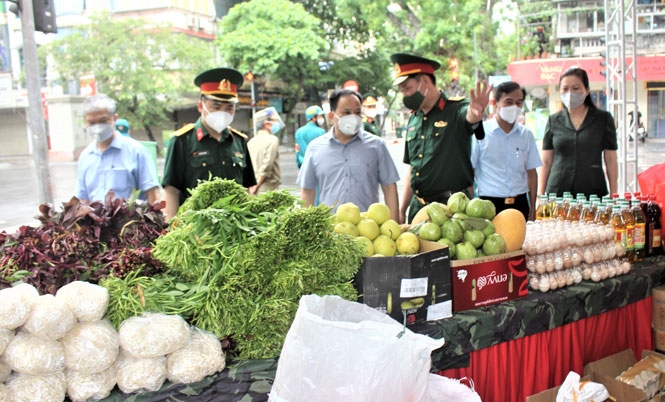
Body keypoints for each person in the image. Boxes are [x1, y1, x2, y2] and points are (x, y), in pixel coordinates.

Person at [391, 53, 491, 223]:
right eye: (402, 91)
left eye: (407, 88)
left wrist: (475, 113)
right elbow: (413, 168)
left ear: (425, 81)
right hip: (419, 210)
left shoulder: (455, 109)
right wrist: (402, 209)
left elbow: (468, 116)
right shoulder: (414, 118)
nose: (405, 96)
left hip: (452, 211)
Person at [162, 67, 257, 219]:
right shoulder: (182, 141)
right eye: (217, 106)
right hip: (195, 230)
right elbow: (171, 189)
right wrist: (170, 229)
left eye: (229, 107)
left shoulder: (239, 141)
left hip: (235, 229)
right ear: (201, 106)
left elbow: (247, 188)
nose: (223, 112)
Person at [296, 89, 400, 220]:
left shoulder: (377, 146)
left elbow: (389, 187)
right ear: (332, 116)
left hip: (369, 231)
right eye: (346, 112)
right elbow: (307, 190)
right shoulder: (315, 148)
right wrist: (307, 228)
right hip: (330, 231)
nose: (353, 117)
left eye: (357, 112)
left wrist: (395, 224)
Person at [539, 67, 618, 199]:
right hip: (558, 192)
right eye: (565, 89)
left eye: (575, 88)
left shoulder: (603, 119)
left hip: (592, 191)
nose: (570, 93)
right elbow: (546, 161)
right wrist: (540, 194)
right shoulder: (553, 120)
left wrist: (614, 193)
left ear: (587, 90)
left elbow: (610, 159)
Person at [471, 81, 542, 221]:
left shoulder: (526, 135)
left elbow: (532, 174)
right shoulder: (480, 133)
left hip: (520, 204)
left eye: (519, 103)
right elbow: (469, 171)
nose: (514, 107)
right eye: (508, 102)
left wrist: (533, 208)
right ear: (496, 103)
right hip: (489, 205)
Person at [75, 94, 160, 204]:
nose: (97, 127)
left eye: (103, 120)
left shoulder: (137, 152)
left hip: (130, 221)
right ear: (85, 122)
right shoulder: (85, 157)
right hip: (95, 220)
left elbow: (153, 196)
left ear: (114, 118)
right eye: (92, 122)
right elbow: (83, 199)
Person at [248, 107, 283, 195]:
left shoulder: (251, 141)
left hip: (252, 187)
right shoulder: (272, 140)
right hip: (267, 187)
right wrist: (257, 185)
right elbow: (267, 165)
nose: (277, 123)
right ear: (267, 124)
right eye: (274, 121)